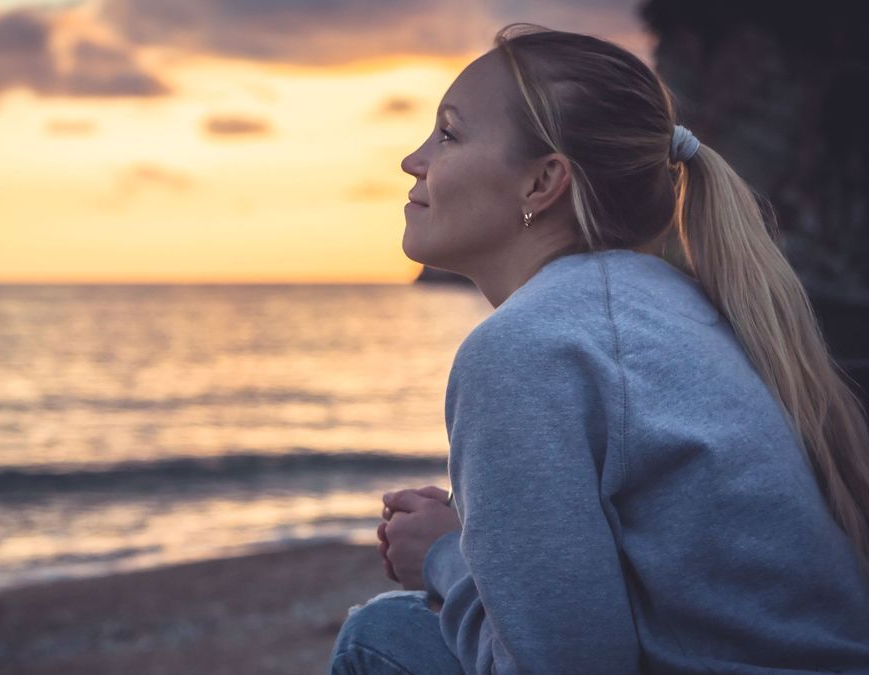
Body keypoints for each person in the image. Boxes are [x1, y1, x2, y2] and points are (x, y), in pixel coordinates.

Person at [327, 23, 869, 675]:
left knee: (379, 632)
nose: (414, 160)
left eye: (448, 133)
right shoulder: (676, 306)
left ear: (542, 182)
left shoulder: (526, 347)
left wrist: (445, 556)